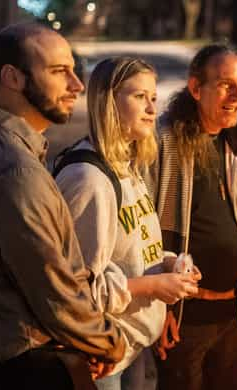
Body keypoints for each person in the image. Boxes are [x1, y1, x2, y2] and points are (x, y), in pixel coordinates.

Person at [0, 23, 124, 389]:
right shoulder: (13, 171)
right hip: (29, 369)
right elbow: (53, 289)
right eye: (60, 72)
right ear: (13, 77)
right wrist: (108, 342)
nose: (76, 85)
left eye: (75, 71)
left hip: (6, 362)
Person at [54, 57, 200, 390]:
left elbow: (126, 250)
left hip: (130, 346)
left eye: (152, 97)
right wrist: (153, 287)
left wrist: (166, 264)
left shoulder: (126, 166)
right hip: (102, 358)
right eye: (138, 97)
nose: (152, 108)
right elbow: (77, 287)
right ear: (108, 101)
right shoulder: (89, 179)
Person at [147, 43, 237, 390]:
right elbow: (145, 235)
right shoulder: (165, 141)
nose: (236, 95)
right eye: (224, 84)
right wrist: (162, 309)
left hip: (232, 316)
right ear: (195, 88)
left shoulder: (235, 141)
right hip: (185, 319)